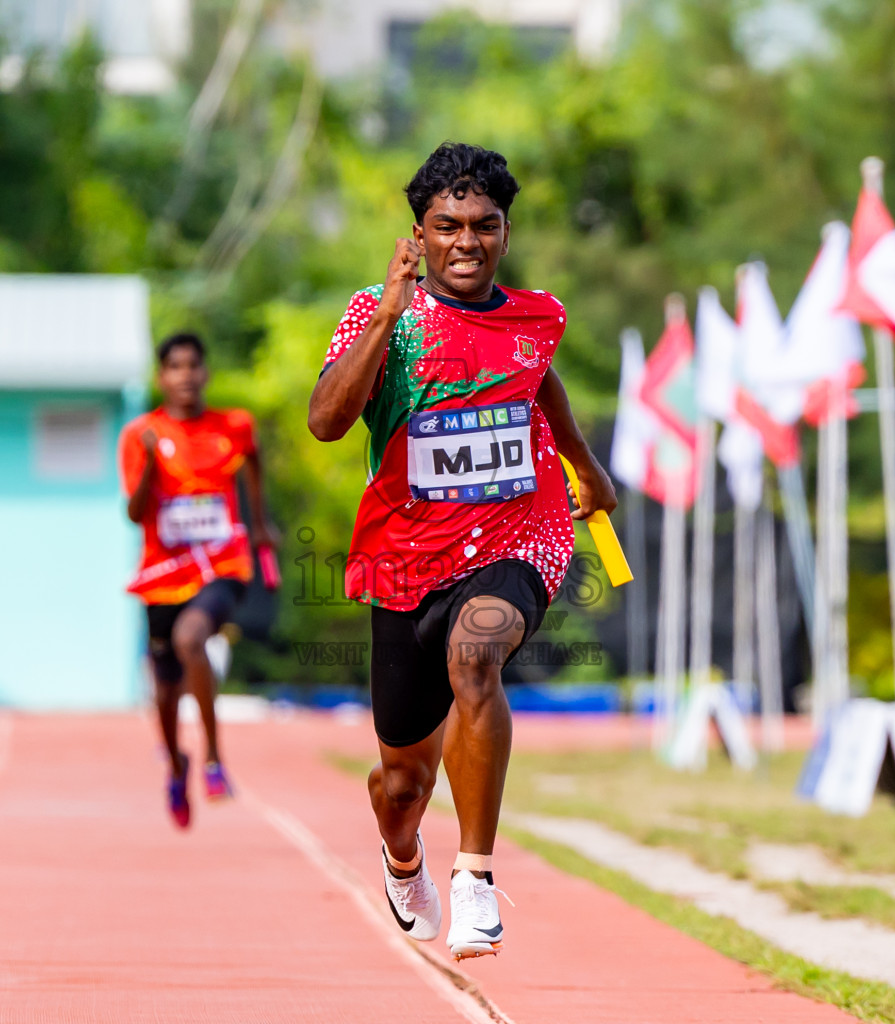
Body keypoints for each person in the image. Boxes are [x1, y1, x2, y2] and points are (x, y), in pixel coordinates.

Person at [308, 142, 617, 959]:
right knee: (401, 783)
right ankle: (402, 854)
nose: (467, 241)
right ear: (420, 233)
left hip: (518, 533)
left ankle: (475, 877)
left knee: (477, 655)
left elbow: (536, 379)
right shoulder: (382, 315)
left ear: (506, 234)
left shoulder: (539, 315)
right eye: (448, 226)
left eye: (484, 225)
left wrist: (585, 468)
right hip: (404, 558)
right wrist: (385, 312)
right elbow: (327, 422)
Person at [120, 332, 277, 830]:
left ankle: (212, 757)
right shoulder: (140, 433)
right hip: (164, 577)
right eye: (174, 367)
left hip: (223, 567)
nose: (185, 375)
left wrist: (258, 523)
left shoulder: (233, 426)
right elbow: (135, 512)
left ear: (205, 372)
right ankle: (176, 761)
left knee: (193, 639)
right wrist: (148, 462)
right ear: (161, 377)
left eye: (193, 365)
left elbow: (253, 462)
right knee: (164, 691)